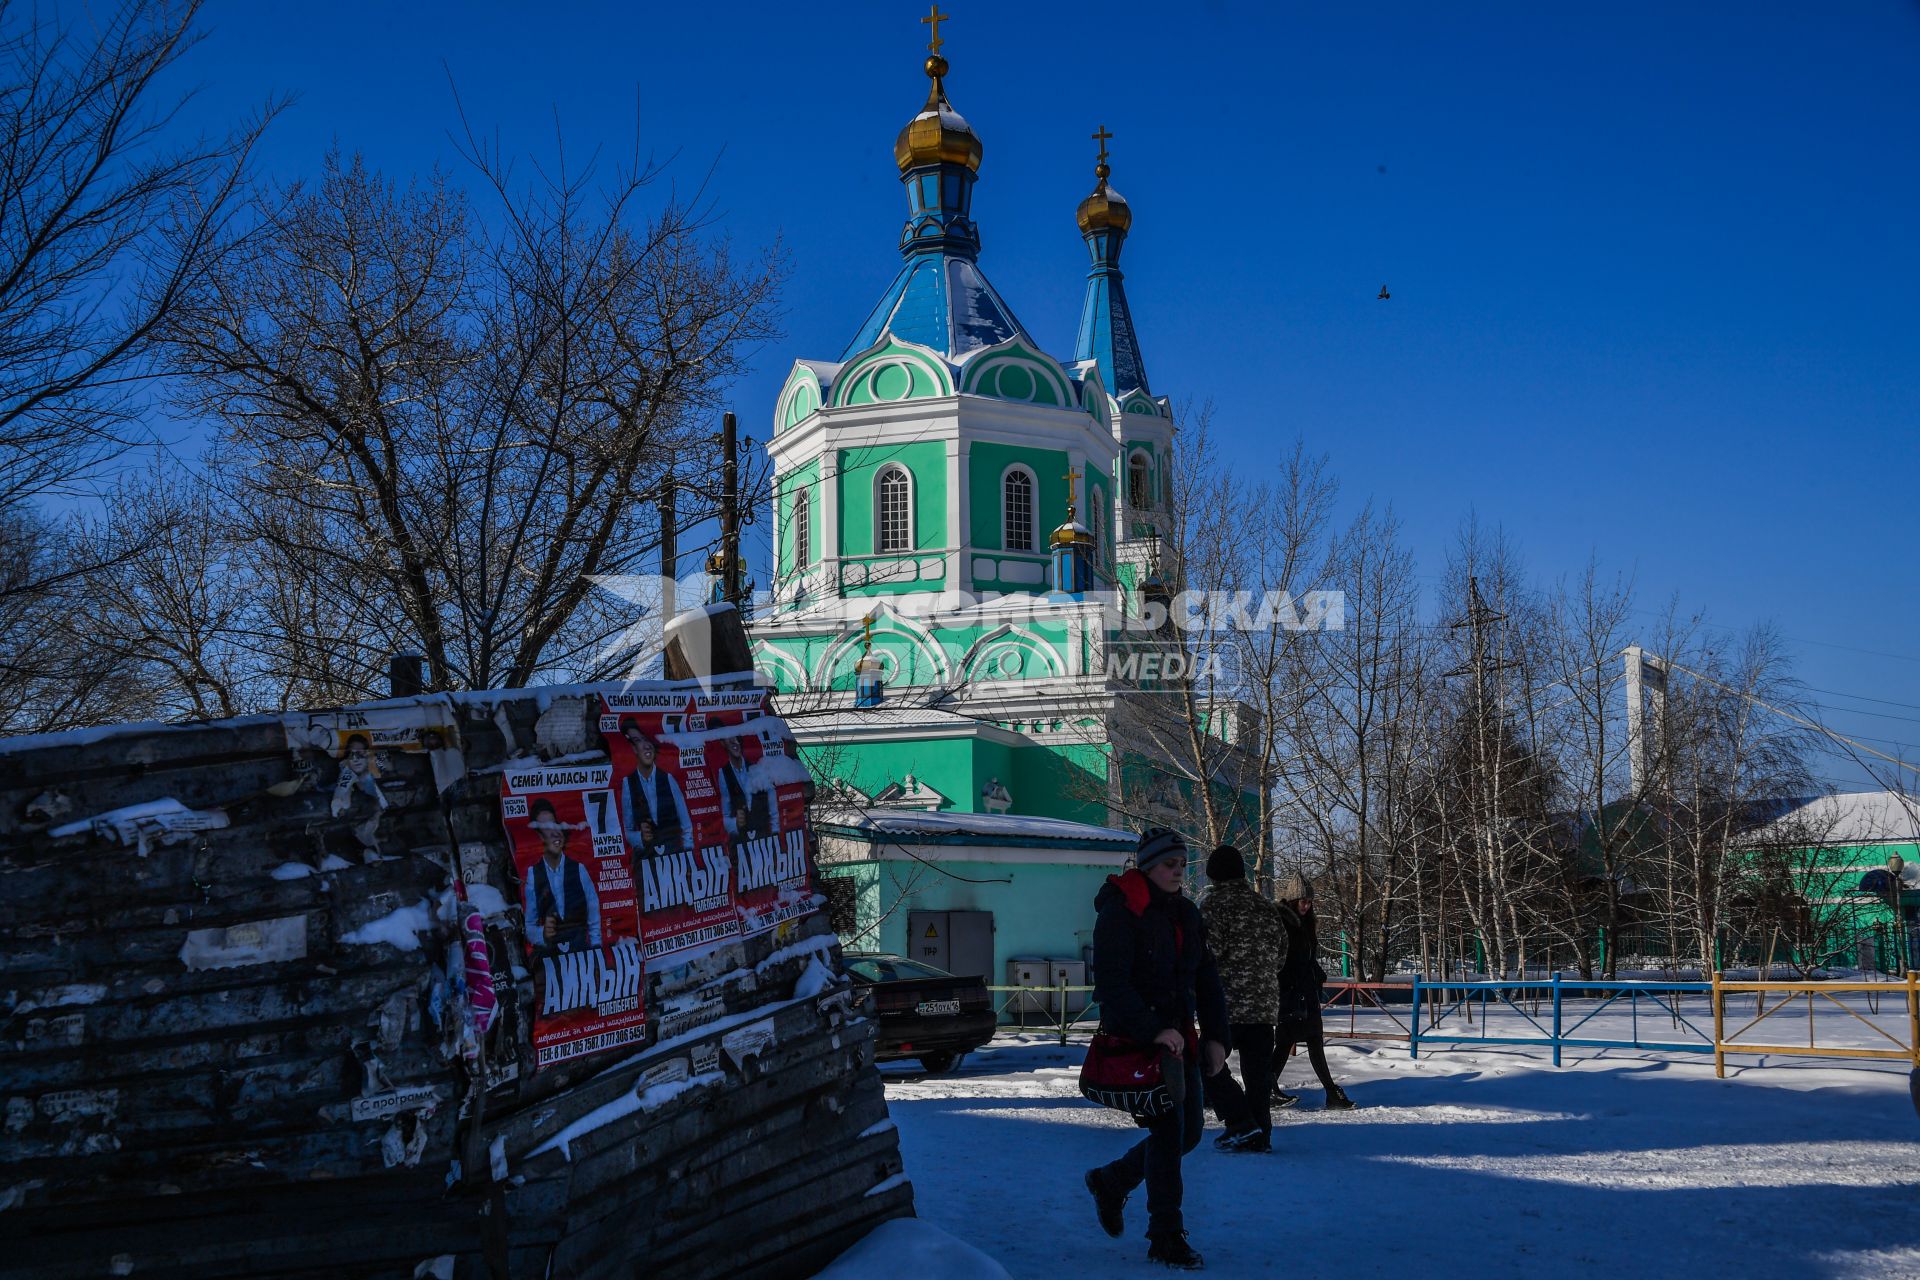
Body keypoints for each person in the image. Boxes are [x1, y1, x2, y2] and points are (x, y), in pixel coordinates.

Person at [1084, 828, 1230, 1270]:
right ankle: (1165, 1236)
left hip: (1179, 1039)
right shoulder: (1120, 910)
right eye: (1170, 864)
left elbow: (1207, 978)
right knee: (1169, 1135)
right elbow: (1112, 985)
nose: (1178, 873)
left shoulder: (1186, 912)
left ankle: (1112, 1180)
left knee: (1186, 1134)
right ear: (1147, 865)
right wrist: (1153, 1030)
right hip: (1138, 1041)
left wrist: (1218, 1037)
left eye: (1184, 865)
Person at [1197, 844, 1289, 1153]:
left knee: (1208, 1064)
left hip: (1226, 1006)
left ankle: (1239, 1122)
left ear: (1212, 874)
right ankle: (1260, 1135)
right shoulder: (1265, 906)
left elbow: (1208, 953)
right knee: (1258, 1075)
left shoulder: (1213, 906)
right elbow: (1280, 955)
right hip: (1264, 1006)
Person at [1271, 872, 1353, 1111]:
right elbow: (1283, 960)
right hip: (1291, 993)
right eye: (1302, 901)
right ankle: (1267, 1086)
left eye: (1309, 901)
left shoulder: (1305, 924)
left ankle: (1330, 1092)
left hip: (1306, 992)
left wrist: (1316, 972)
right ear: (1292, 900)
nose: (1307, 905)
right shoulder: (1283, 923)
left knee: (1312, 1040)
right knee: (1286, 1041)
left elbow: (1306, 957)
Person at [520, 799, 602, 956]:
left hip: (581, 953)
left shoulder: (578, 869)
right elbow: (529, 925)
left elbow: (593, 912)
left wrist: (596, 948)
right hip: (553, 957)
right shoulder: (533, 874)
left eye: (554, 825)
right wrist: (541, 934)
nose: (554, 833)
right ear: (539, 836)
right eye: (546, 828)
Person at [620, 719, 692, 853]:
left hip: (674, 856)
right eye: (638, 740)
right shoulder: (628, 783)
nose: (646, 746)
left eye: (647, 739)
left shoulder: (668, 779)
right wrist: (639, 838)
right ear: (633, 748)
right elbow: (627, 831)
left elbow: (686, 826)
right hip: (647, 859)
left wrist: (688, 855)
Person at [715, 732, 776, 843]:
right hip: (741, 843)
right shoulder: (723, 773)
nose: (735, 742)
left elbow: (773, 805)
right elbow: (724, 814)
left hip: (764, 839)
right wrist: (735, 823)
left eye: (737, 738)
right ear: (722, 743)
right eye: (729, 739)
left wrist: (776, 832)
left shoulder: (757, 767)